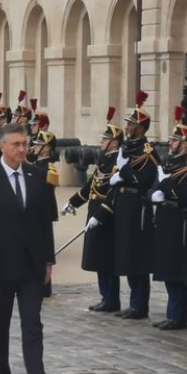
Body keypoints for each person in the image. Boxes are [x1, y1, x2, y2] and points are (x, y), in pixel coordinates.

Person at [0, 123, 57, 374]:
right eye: (16, 144)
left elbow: (45, 224)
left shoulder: (38, 175)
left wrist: (48, 261)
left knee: (33, 321)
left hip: (32, 264)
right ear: (2, 146)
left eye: (25, 144)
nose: (22, 149)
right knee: (0, 324)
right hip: (0, 266)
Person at [64, 108, 124, 314]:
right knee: (97, 256)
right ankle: (104, 296)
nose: (101, 142)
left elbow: (113, 192)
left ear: (114, 142)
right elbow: (91, 186)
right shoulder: (104, 159)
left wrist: (100, 215)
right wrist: (73, 202)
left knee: (106, 258)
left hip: (106, 215)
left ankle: (111, 299)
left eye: (105, 139)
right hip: (94, 211)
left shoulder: (117, 161)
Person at [106, 92, 159, 320]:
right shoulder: (128, 148)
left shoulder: (146, 150)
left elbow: (146, 176)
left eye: (131, 124)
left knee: (137, 256)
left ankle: (140, 305)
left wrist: (123, 173)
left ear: (140, 127)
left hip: (137, 205)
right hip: (123, 203)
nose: (127, 127)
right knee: (126, 253)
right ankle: (133, 302)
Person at [149, 107, 187, 329]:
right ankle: (172, 312)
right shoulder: (171, 164)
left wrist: (164, 191)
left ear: (185, 144)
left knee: (177, 270)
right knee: (167, 269)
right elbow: (154, 188)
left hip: (178, 222)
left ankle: (179, 316)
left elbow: (184, 193)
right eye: (171, 140)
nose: (171, 143)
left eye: (175, 140)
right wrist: (155, 194)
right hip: (164, 219)